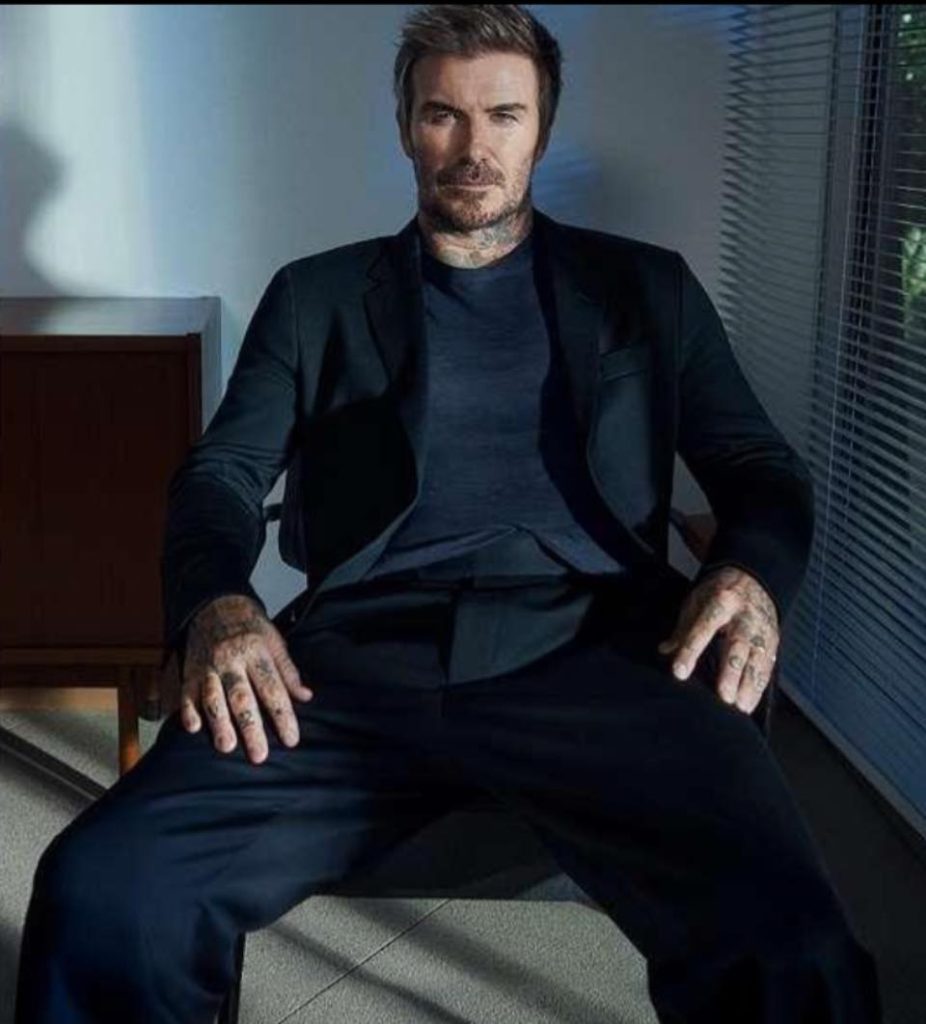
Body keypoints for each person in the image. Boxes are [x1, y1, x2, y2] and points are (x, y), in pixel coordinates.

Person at [15, 5, 882, 1022]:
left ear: (541, 129)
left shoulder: (646, 289)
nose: (474, 148)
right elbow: (220, 477)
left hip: (603, 652)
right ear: (405, 127)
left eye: (503, 115)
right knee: (104, 886)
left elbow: (755, 463)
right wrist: (217, 602)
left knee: (792, 942)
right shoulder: (315, 298)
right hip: (359, 659)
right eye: (443, 115)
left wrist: (749, 570)